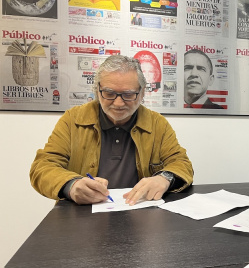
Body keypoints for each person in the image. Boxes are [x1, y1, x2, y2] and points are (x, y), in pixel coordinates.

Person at [30, 55, 193, 205]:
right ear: (97, 90)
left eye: (128, 95)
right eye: (109, 93)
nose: (118, 103)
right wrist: (72, 185)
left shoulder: (157, 124)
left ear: (142, 93)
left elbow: (181, 163)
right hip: (84, 218)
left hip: (139, 213)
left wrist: (165, 178)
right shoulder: (73, 120)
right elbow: (43, 167)